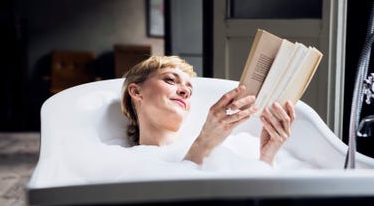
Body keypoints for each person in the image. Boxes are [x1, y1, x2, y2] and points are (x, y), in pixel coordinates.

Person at [121, 55, 295, 166]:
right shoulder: (124, 163)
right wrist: (203, 145)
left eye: (189, 89)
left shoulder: (228, 149)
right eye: (170, 80)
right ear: (136, 91)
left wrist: (266, 160)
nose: (185, 91)